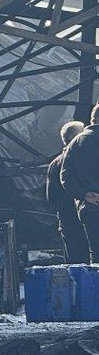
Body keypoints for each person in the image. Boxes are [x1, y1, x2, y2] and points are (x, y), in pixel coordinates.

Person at [61, 104, 99, 262]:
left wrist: (83, 194)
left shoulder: (75, 143)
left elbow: (65, 177)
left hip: (89, 209)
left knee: (96, 255)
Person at [48, 120, 88, 262]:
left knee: (77, 265)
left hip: (67, 222)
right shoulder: (82, 160)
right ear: (73, 138)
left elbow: (51, 197)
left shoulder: (54, 164)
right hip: (86, 220)